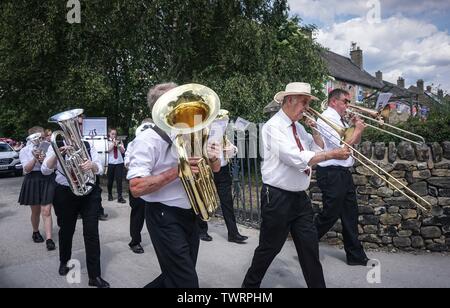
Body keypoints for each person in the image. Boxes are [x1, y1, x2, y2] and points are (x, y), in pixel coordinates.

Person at [242, 82, 351, 288]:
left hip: (299, 198)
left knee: (310, 249)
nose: (307, 107)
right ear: (289, 100)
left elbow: (315, 146)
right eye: (304, 102)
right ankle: (248, 288)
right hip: (277, 197)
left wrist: (316, 130)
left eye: (308, 102)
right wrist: (332, 154)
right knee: (269, 249)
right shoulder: (273, 127)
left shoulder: (299, 127)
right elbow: (295, 158)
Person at [127, 83, 221, 288]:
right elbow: (136, 187)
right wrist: (179, 170)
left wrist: (213, 158)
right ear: (159, 109)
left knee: (175, 276)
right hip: (163, 216)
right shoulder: (147, 140)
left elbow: (215, 170)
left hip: (190, 214)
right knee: (186, 282)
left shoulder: (189, 133)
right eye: (177, 103)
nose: (184, 106)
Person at [42, 114, 110, 288]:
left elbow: (100, 167)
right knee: (66, 230)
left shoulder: (87, 144)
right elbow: (45, 170)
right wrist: (57, 155)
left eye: (79, 124)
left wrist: (92, 166)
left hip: (89, 192)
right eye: (75, 124)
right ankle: (64, 261)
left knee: (92, 233)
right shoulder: (55, 143)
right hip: (65, 193)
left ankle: (94, 276)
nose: (78, 127)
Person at [314, 88, 370, 266]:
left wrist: (356, 128)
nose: (348, 105)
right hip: (331, 171)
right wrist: (357, 130)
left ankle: (355, 256)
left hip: (342, 172)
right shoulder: (327, 118)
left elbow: (354, 143)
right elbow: (343, 146)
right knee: (329, 215)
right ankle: (305, 242)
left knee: (350, 214)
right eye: (345, 101)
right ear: (333, 102)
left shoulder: (340, 119)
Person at [197, 117, 248, 244]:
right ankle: (202, 230)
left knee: (227, 202)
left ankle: (233, 233)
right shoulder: (201, 128)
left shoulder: (223, 129)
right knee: (204, 200)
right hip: (207, 169)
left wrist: (232, 150)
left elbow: (232, 147)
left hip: (223, 170)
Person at [18, 126, 56, 251]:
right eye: (38, 137)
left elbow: (51, 166)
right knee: (36, 211)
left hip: (46, 178)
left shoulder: (49, 146)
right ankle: (35, 231)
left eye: (42, 137)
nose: (41, 139)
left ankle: (49, 239)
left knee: (47, 210)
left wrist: (44, 158)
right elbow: (26, 169)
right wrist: (35, 158)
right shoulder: (24, 151)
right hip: (32, 179)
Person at [124, 119, 153, 254]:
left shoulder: (157, 143)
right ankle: (135, 241)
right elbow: (127, 163)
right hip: (139, 182)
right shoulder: (132, 144)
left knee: (155, 213)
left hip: (153, 184)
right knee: (138, 213)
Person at [107, 128, 126, 204]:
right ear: (109, 134)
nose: (114, 135)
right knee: (110, 180)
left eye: (115, 134)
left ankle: (120, 197)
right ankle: (110, 194)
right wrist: (113, 144)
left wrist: (118, 145)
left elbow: (123, 151)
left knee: (119, 180)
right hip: (110, 162)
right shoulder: (106, 141)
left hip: (119, 162)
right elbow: (107, 150)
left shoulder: (120, 141)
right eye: (112, 134)